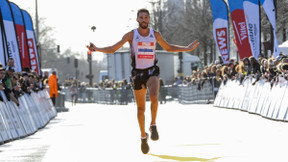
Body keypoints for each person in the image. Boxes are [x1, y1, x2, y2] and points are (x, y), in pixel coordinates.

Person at [87, 8, 200, 154]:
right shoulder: (131, 35)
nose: (144, 19)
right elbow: (114, 48)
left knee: (153, 96)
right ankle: (143, 136)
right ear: (137, 20)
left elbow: (168, 47)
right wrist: (97, 49)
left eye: (146, 17)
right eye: (141, 17)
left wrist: (186, 48)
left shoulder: (155, 34)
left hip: (152, 70)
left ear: (149, 19)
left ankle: (153, 124)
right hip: (137, 73)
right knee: (141, 109)